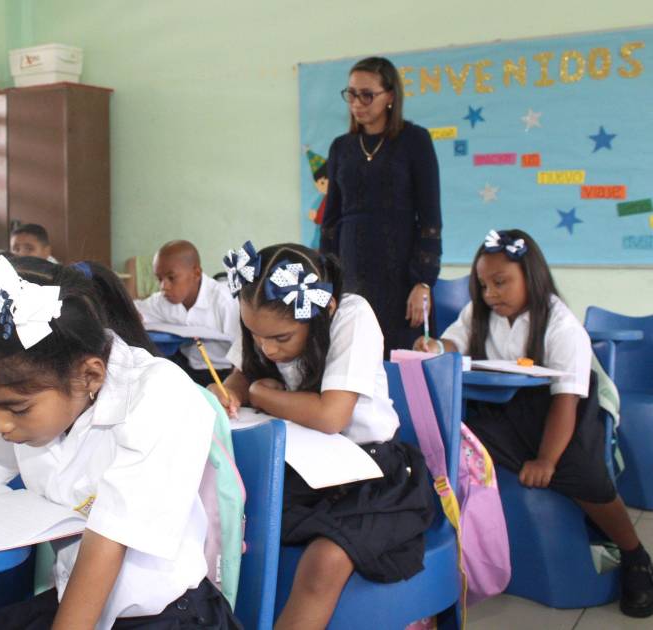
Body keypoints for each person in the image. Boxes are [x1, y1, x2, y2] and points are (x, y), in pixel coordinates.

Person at [0, 254, 238, 629]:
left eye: (15, 408)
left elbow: (108, 543)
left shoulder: (160, 396)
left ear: (90, 376)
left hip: (162, 615)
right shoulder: (37, 388)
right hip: (79, 596)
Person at [418, 228, 653, 618]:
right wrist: (437, 346)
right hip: (501, 414)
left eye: (501, 282)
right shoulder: (479, 313)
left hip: (560, 416)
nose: (491, 294)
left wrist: (546, 460)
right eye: (483, 285)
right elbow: (454, 341)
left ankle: (634, 555)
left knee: (584, 474)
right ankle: (463, 554)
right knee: (456, 446)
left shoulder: (561, 325)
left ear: (531, 276)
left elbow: (566, 401)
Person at [212, 241, 434, 628]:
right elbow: (241, 375)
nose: (266, 348)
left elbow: (331, 416)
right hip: (301, 468)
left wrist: (261, 395)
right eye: (255, 335)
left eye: (280, 338)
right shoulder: (263, 321)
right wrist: (227, 391)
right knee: (229, 520)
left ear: (322, 311)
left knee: (325, 561)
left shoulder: (351, 314)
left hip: (371, 474)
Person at [320, 56, 442, 356]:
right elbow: (330, 221)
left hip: (400, 269)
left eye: (367, 95)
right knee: (353, 353)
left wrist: (423, 283)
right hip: (352, 266)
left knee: (402, 356)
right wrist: (326, 281)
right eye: (351, 94)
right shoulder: (341, 147)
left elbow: (430, 219)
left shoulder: (415, 140)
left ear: (390, 96)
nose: (356, 103)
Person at [134, 240, 240, 386]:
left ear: (196, 273)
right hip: (187, 366)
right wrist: (133, 315)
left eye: (171, 278)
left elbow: (243, 351)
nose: (164, 286)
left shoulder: (224, 301)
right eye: (159, 279)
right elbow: (135, 308)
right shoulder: (164, 300)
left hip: (225, 371)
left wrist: (233, 386)